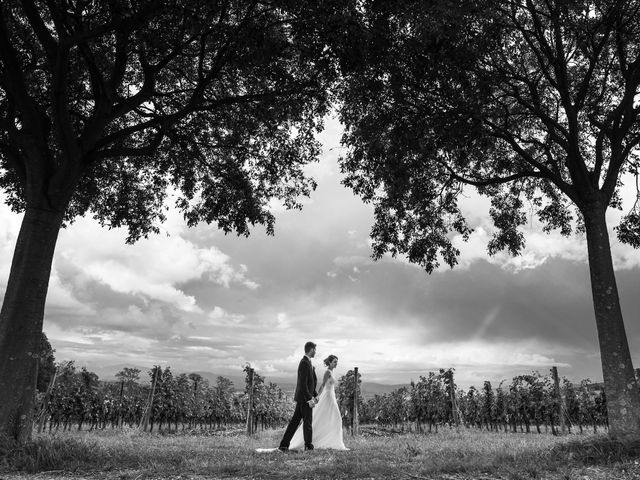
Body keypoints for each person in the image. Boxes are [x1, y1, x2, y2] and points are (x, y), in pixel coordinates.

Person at [287, 354, 348, 451]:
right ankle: (332, 443)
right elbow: (323, 385)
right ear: (330, 362)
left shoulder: (332, 372)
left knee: (333, 419)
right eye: (335, 362)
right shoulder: (327, 372)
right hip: (328, 397)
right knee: (337, 418)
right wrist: (317, 396)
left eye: (337, 362)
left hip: (332, 396)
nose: (336, 363)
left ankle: (334, 442)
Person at [278, 341, 318, 451]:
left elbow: (310, 383)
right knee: (307, 423)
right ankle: (308, 446)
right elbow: (302, 383)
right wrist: (309, 399)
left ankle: (284, 445)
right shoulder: (304, 363)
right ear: (311, 350)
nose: (316, 352)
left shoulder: (308, 362)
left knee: (294, 423)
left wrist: (315, 394)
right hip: (304, 399)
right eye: (315, 350)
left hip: (302, 398)